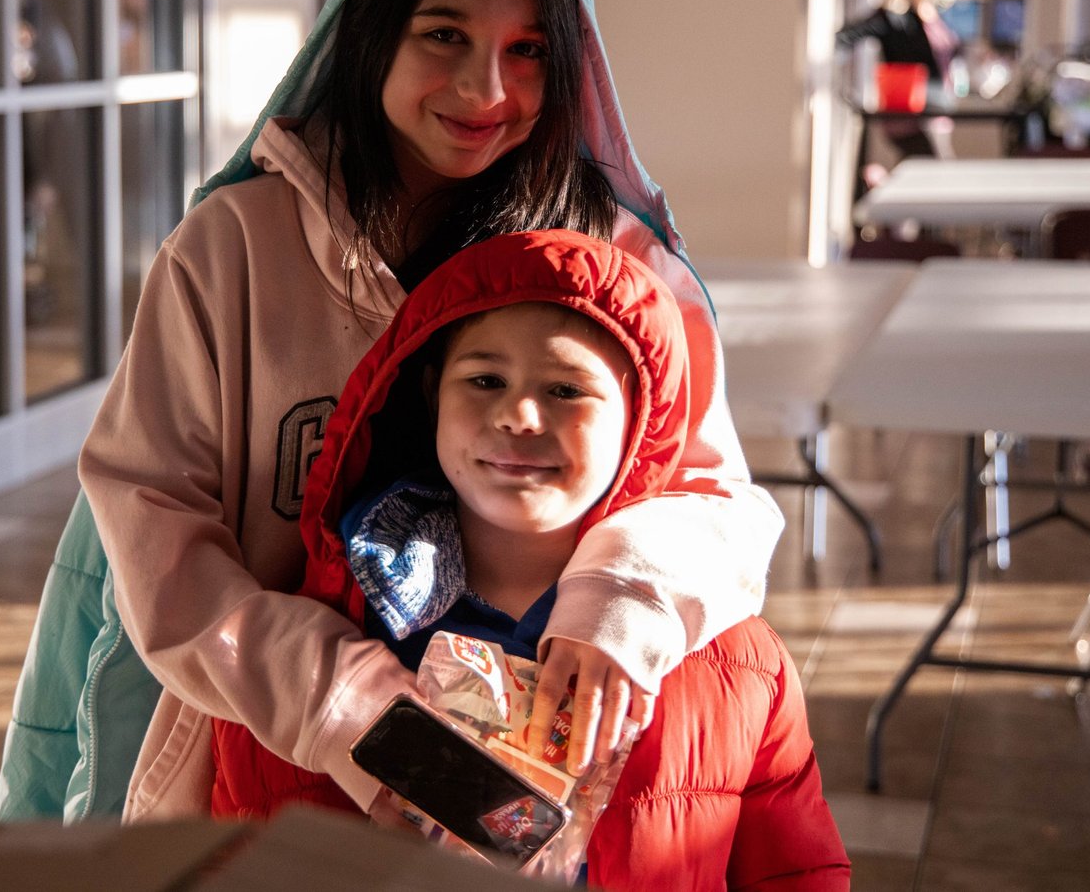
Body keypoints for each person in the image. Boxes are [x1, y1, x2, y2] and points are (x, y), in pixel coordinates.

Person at [0, 0, 783, 824]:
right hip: (260, 771)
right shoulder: (229, 254)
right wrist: (353, 709)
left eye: (528, 48)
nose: (484, 89)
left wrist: (619, 604)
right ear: (371, 29)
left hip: (530, 776)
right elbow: (155, 527)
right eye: (443, 34)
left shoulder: (608, 259)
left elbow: (717, 498)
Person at [210, 229, 851, 891]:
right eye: (485, 379)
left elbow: (796, 869)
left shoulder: (732, 660)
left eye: (566, 390)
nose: (519, 413)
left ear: (639, 415)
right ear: (431, 393)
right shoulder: (311, 650)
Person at [837, 0, 962, 163]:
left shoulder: (935, 18)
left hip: (937, 117)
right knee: (937, 174)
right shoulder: (895, 16)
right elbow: (844, 39)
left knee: (927, 176)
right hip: (911, 118)